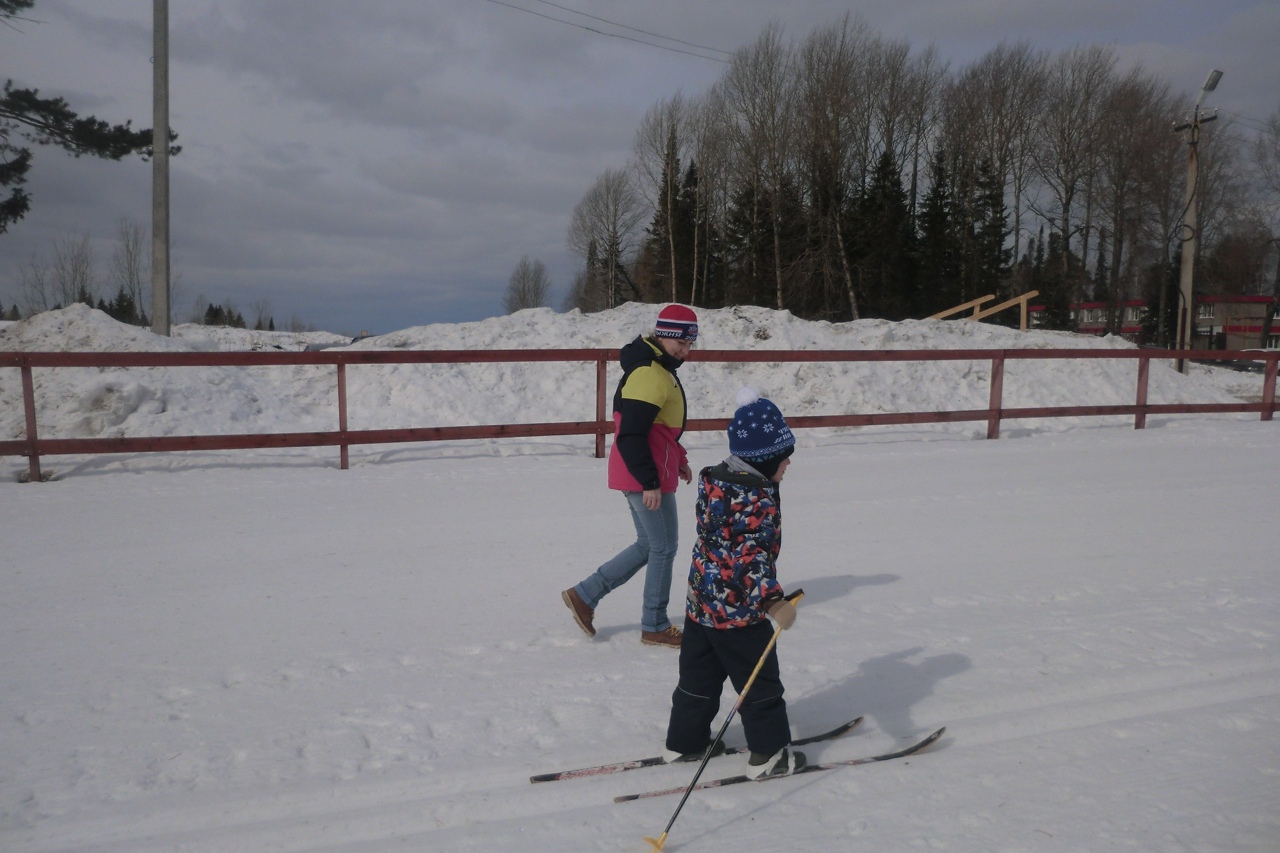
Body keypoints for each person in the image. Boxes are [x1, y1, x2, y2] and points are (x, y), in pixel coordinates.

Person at [660, 387, 805, 778]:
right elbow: (747, 560)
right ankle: (770, 755)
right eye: (783, 455)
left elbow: (721, 549)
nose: (789, 462)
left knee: (697, 681)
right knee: (759, 685)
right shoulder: (754, 500)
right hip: (738, 615)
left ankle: (684, 744)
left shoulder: (717, 483)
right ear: (765, 458)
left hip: (701, 606)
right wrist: (773, 602)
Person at [562, 304, 698, 648]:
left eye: (690, 344)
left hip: (649, 470)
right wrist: (648, 482)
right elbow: (632, 434)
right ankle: (654, 624)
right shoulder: (648, 373)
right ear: (664, 335)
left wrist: (678, 457)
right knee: (664, 548)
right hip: (643, 475)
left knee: (649, 545)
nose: (686, 350)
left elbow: (660, 431)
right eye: (681, 342)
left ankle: (584, 595)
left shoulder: (660, 368)